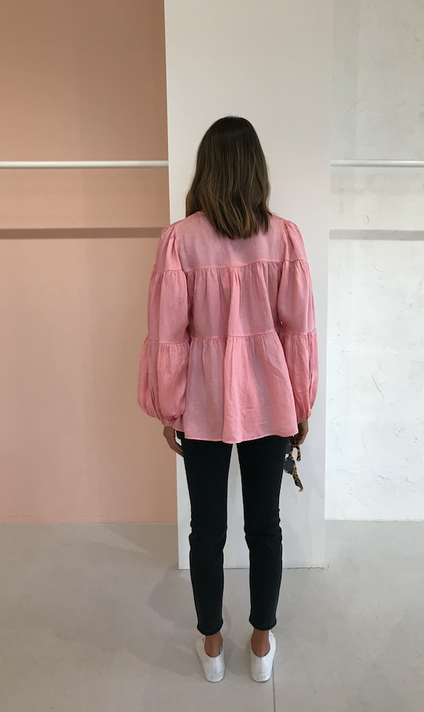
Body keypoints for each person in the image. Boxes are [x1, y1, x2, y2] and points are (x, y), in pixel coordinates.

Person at [137, 116, 318, 683]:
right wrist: (301, 403)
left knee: (206, 529)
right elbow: (298, 331)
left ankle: (212, 644)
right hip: (271, 399)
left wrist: (170, 406)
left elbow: (169, 334)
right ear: (256, 168)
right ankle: (261, 643)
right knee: (265, 525)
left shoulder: (180, 239)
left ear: (207, 169)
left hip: (204, 404)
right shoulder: (284, 236)